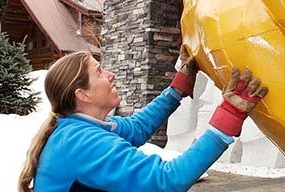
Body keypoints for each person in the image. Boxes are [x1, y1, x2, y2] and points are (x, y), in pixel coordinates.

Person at [18, 47, 268, 192]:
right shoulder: (80, 142)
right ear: (82, 94)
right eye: (99, 72)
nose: (111, 74)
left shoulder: (78, 127)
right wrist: (231, 114)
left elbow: (137, 127)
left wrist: (176, 90)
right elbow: (167, 180)